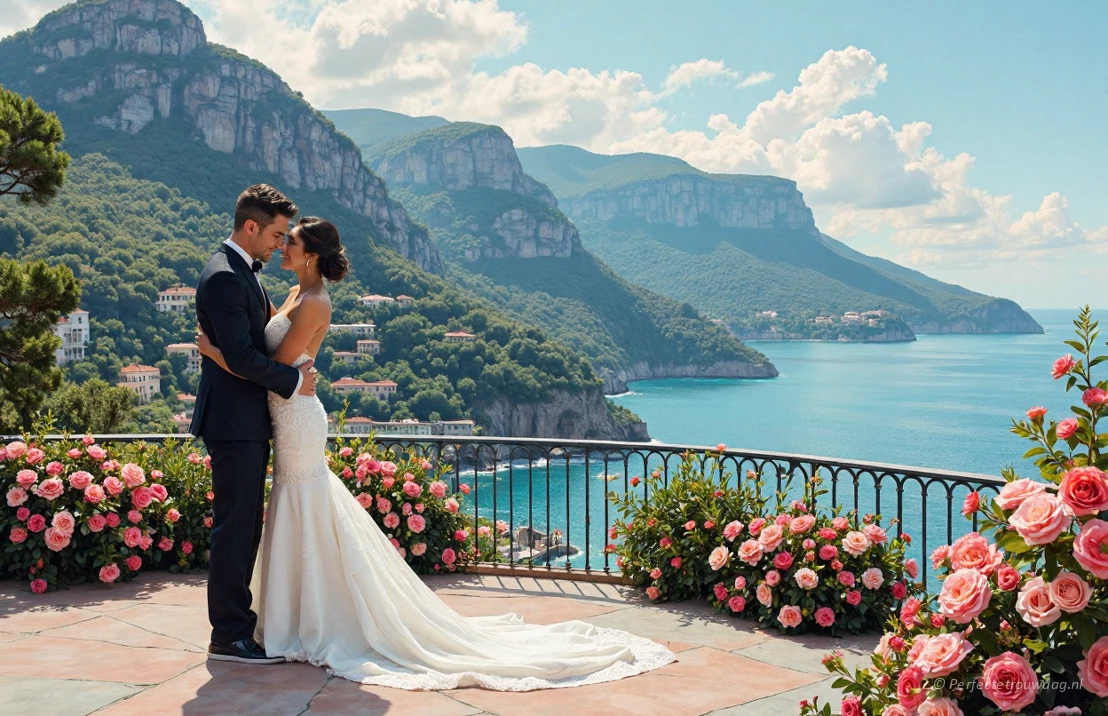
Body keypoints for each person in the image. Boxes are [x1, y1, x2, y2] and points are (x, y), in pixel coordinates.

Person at [196, 214, 675, 691]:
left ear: (312, 254)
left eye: (292, 242)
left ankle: (310, 620)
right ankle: (295, 616)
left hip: (297, 417)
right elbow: (265, 358)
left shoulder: (315, 301)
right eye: (283, 239)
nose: (283, 247)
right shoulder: (295, 293)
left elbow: (273, 366)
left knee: (303, 504)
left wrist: (218, 354)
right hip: (284, 412)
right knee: (297, 507)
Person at [191, 184, 318, 664]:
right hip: (233, 421)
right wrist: (292, 379)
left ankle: (238, 627)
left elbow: (246, 348)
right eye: (277, 234)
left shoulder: (245, 273)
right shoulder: (224, 277)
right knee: (235, 527)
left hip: (247, 419)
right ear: (251, 226)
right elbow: (244, 357)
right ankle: (228, 634)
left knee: (245, 527)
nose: (280, 245)